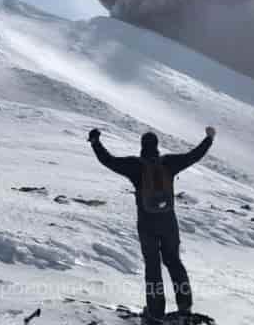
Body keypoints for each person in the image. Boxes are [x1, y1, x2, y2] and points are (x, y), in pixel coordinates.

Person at [88, 127, 216, 324]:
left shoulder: (134, 166)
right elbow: (194, 156)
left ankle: (155, 312)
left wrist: (96, 142)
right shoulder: (169, 163)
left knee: (153, 267)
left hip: (147, 224)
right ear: (156, 146)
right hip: (169, 223)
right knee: (174, 261)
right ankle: (185, 306)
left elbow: (109, 160)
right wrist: (208, 138)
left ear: (142, 146)